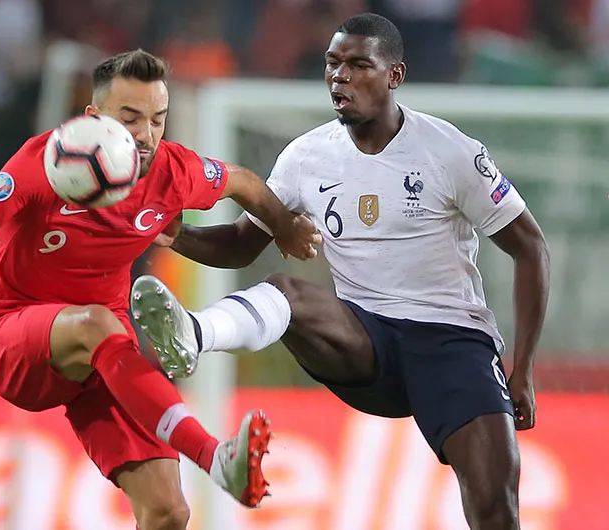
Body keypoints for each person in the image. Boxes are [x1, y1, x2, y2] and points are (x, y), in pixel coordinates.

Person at [0, 49, 322, 530]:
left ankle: (208, 462)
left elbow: (241, 182)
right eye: (130, 119)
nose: (147, 136)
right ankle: (215, 456)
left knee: (168, 512)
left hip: (105, 357)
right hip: (13, 337)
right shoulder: (41, 164)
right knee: (97, 322)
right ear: (94, 118)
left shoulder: (174, 172)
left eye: (158, 119)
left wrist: (283, 226)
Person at [132, 14, 550, 530]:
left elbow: (530, 247)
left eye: (357, 65)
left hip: (450, 343)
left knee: (495, 505)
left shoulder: (450, 151)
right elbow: (241, 244)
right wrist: (174, 234)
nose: (340, 77)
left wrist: (524, 368)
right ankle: (194, 332)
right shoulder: (306, 157)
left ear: (395, 75)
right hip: (363, 340)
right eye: (333, 64)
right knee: (285, 292)